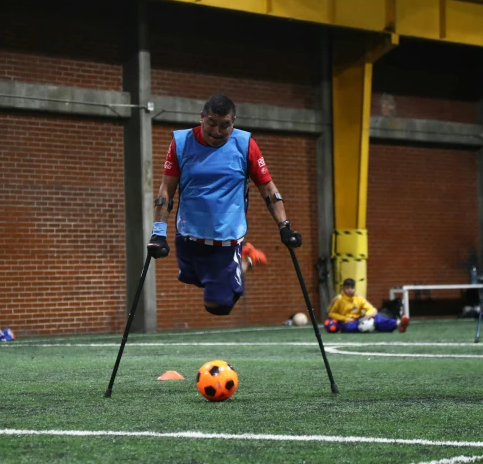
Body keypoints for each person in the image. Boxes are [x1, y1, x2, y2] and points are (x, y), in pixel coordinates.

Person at [146, 94, 301, 316]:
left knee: (218, 305)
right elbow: (166, 191)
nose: (217, 132)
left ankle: (244, 259)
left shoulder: (246, 145)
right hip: (189, 233)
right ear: (202, 118)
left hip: (226, 239)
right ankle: (240, 264)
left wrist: (284, 226)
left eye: (225, 125)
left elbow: (268, 189)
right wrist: (158, 233)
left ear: (233, 123)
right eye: (212, 124)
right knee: (191, 278)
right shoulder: (181, 143)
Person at [326, 278, 409, 333]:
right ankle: (372, 327)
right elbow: (331, 313)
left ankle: (398, 324)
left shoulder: (359, 298)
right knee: (349, 327)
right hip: (346, 322)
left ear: (354, 288)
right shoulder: (339, 299)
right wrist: (345, 318)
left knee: (377, 318)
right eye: (347, 288)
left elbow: (372, 309)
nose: (350, 290)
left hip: (358, 319)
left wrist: (368, 314)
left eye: (352, 288)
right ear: (343, 289)